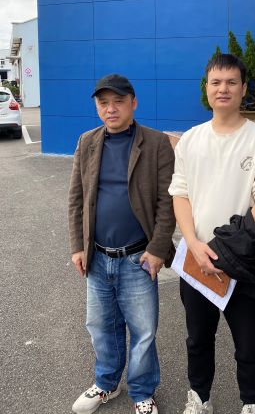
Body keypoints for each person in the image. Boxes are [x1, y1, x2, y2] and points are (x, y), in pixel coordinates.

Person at [169, 54, 255, 414]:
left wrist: (228, 250)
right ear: (206, 88)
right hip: (197, 259)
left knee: (248, 342)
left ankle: (251, 402)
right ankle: (199, 397)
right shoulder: (191, 140)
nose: (223, 89)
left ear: (243, 89)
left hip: (244, 262)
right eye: (216, 82)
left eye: (232, 82)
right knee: (198, 338)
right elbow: (180, 194)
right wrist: (194, 243)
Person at [68, 74, 176, 414]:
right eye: (103, 103)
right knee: (101, 326)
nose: (110, 109)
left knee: (143, 330)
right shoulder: (87, 141)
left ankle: (142, 392)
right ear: (97, 107)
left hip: (138, 257)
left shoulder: (156, 143)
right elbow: (76, 198)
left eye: (118, 101)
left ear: (133, 103)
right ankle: (107, 383)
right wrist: (78, 246)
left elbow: (167, 202)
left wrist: (157, 249)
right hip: (98, 255)